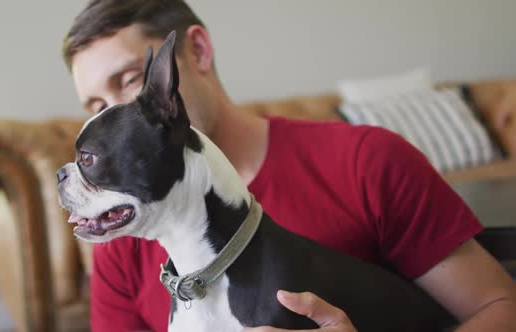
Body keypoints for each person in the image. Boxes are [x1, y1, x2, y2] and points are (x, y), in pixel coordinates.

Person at [62, 1, 516, 331]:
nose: (112, 115)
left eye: (128, 82)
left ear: (196, 52)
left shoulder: (368, 161)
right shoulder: (122, 226)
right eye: (96, 105)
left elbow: (502, 309)